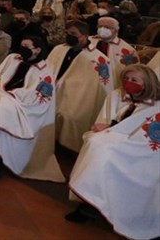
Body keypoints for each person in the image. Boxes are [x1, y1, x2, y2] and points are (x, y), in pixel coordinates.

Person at [66, 65, 160, 240]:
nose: (128, 83)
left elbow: (147, 137)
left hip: (138, 149)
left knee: (104, 151)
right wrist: (107, 128)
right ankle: (88, 204)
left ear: (147, 83)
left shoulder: (157, 105)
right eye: (126, 79)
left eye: (134, 80)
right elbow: (104, 119)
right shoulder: (117, 95)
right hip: (112, 140)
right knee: (97, 147)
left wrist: (119, 137)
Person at [0, 36, 63, 182]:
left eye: (27, 46)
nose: (22, 49)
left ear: (37, 50)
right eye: (21, 45)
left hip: (22, 105)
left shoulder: (45, 70)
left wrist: (11, 96)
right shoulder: (13, 58)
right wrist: (0, 90)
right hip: (1, 94)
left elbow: (35, 95)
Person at [47, 20, 112, 152]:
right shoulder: (58, 49)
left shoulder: (99, 59)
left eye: (73, 33)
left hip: (78, 98)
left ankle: (66, 149)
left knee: (70, 116)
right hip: (53, 93)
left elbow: (102, 88)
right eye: (67, 33)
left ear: (85, 35)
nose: (69, 36)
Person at [90, 17, 139, 89]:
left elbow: (132, 71)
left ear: (116, 30)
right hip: (90, 82)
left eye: (107, 27)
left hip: (112, 86)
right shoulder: (89, 41)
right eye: (100, 26)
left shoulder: (127, 50)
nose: (102, 29)